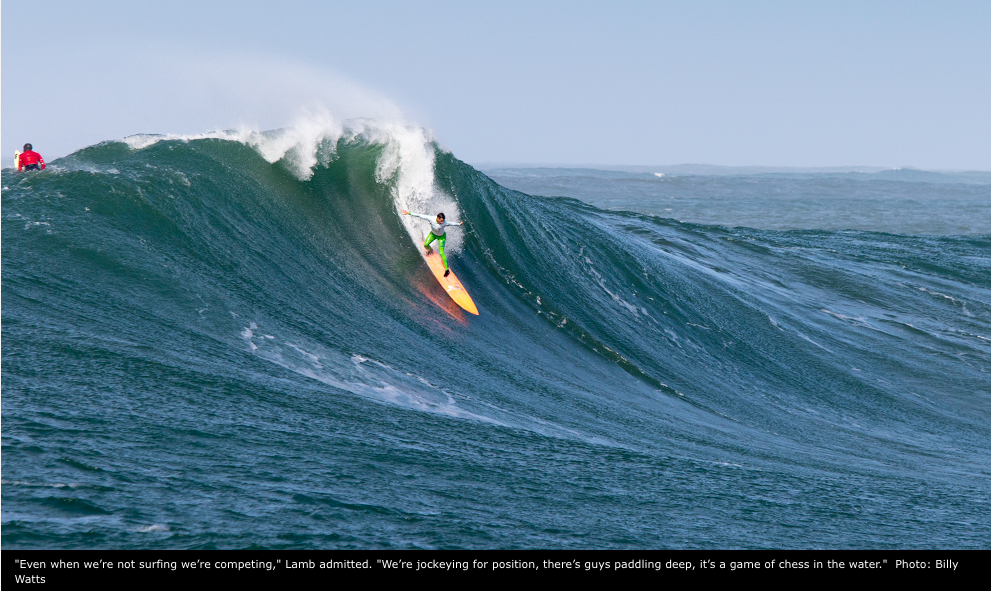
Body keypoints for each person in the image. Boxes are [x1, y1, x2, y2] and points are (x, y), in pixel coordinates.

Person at [401, 209, 464, 277]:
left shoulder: (444, 223)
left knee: (441, 252)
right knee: (426, 244)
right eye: (441, 220)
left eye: (443, 221)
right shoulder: (431, 218)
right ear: (437, 218)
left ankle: (447, 270)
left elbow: (451, 223)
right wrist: (409, 213)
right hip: (433, 234)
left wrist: (458, 224)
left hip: (441, 237)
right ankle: (430, 250)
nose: (442, 222)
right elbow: (420, 215)